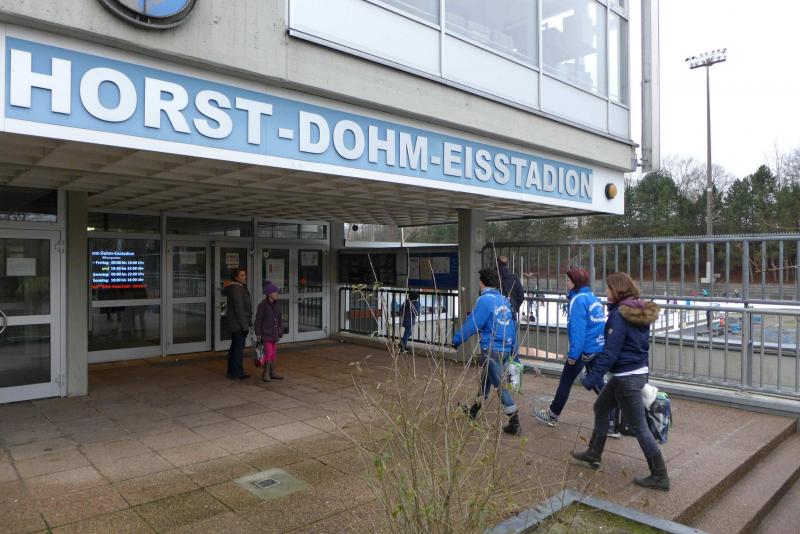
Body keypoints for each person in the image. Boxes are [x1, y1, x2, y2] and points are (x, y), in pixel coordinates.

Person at [572, 272, 669, 491]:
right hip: (633, 373)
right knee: (601, 407)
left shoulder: (619, 316)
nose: (605, 292)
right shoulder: (636, 311)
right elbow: (638, 347)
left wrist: (591, 379)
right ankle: (594, 453)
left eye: (608, 289)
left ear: (616, 290)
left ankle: (660, 476)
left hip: (626, 377)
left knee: (639, 427)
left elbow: (610, 352)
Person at [533, 268, 617, 436]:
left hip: (583, 351)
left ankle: (552, 415)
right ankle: (612, 423)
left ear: (576, 282)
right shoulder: (592, 297)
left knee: (566, 382)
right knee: (599, 384)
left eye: (568, 280)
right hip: (596, 347)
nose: (566, 283)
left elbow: (578, 331)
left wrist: (573, 355)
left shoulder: (578, 300)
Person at [453, 268, 521, 436]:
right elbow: (512, 325)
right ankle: (474, 409)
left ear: (483, 283)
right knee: (486, 380)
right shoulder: (503, 299)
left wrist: (457, 339)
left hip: (492, 349)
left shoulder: (485, 300)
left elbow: (473, 323)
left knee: (500, 386)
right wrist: (513, 348)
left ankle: (514, 421)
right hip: (505, 347)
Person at [222, 267, 252, 380]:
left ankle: (233, 372)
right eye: (242, 275)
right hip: (238, 324)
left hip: (237, 323)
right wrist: (245, 326)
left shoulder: (238, 287)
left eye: (245, 274)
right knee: (238, 349)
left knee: (235, 347)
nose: (245, 277)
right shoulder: (236, 289)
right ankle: (237, 373)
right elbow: (239, 309)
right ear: (236, 277)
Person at [255, 281, 284, 382]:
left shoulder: (277, 305)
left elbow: (279, 319)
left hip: (274, 333)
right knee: (268, 352)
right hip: (266, 334)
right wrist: (258, 333)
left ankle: (273, 372)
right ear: (269, 294)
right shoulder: (262, 305)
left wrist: (280, 330)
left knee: (273, 353)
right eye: (275, 292)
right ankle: (265, 373)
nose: (277, 294)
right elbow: (258, 320)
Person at [497, 256, 525, 322]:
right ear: (507, 264)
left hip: (494, 309)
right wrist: (514, 306)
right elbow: (521, 295)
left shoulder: (492, 276)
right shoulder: (514, 278)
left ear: (497, 263)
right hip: (510, 309)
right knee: (511, 327)